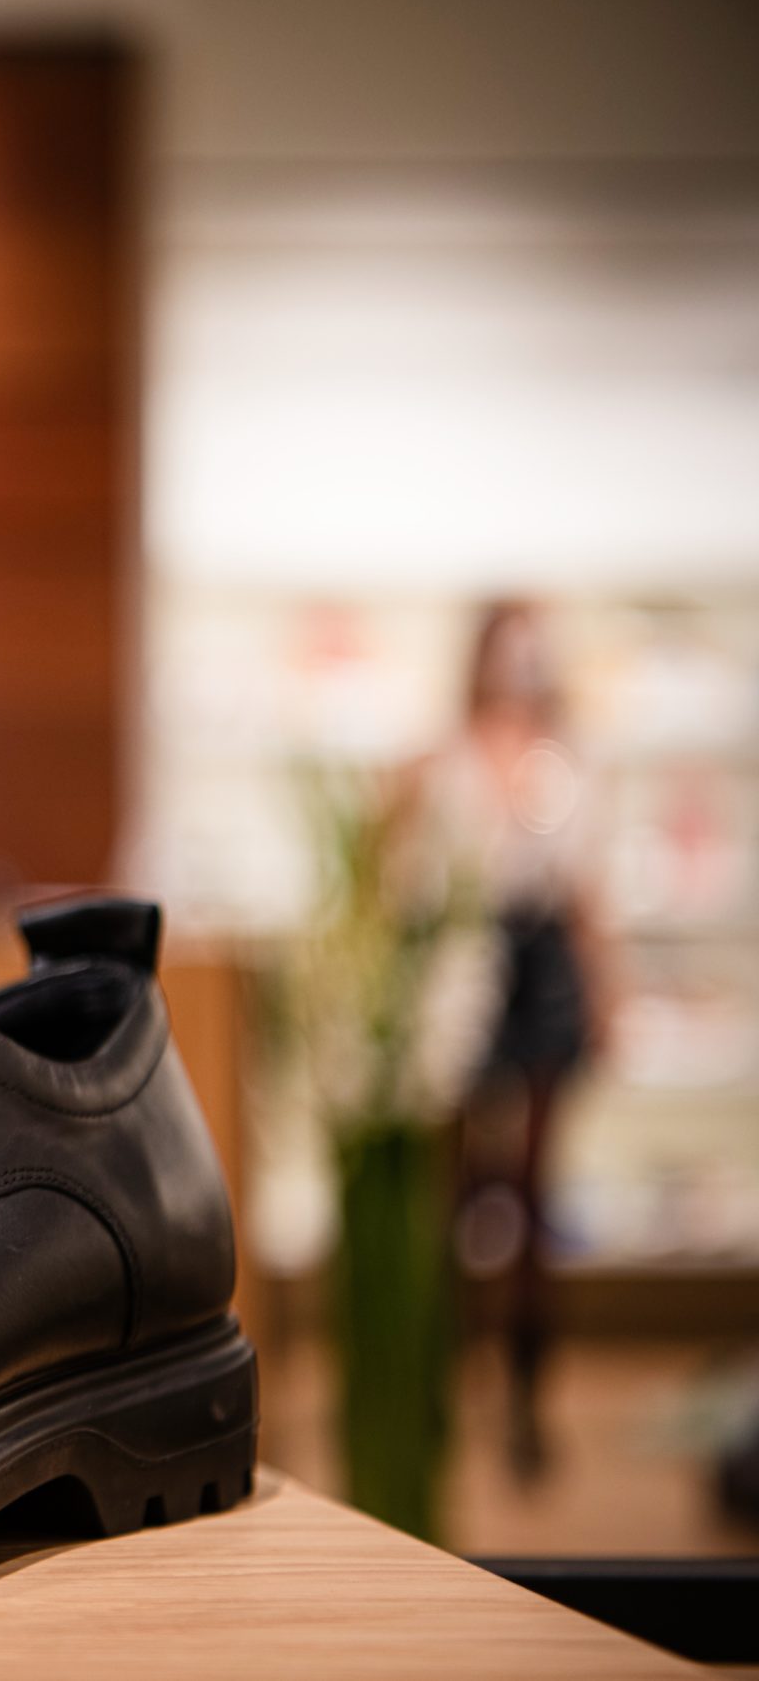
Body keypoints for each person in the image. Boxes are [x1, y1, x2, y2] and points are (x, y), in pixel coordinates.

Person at [396, 601, 610, 1482]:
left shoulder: (566, 761)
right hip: (467, 959)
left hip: (545, 959)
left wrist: (606, 994)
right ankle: (441, 1381)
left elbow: (587, 892)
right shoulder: (444, 761)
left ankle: (526, 1394)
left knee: (534, 1187)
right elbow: (413, 876)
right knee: (454, 1186)